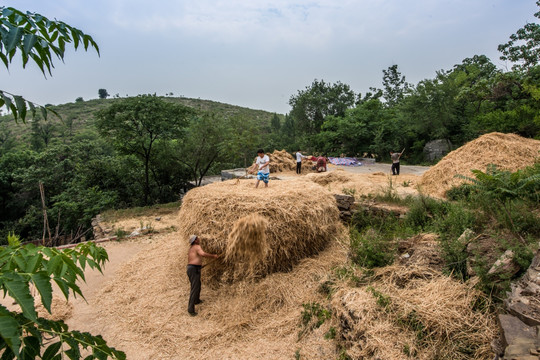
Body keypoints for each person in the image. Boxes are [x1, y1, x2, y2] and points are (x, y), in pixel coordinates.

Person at [187, 235, 219, 316]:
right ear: (195, 240)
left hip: (192, 268)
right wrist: (213, 256)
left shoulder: (191, 248)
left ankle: (196, 300)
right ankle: (191, 309)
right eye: (197, 238)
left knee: (198, 285)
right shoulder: (197, 246)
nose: (199, 239)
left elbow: (194, 259)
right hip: (194, 269)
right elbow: (203, 254)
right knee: (194, 288)